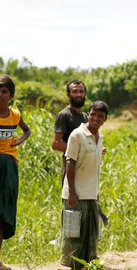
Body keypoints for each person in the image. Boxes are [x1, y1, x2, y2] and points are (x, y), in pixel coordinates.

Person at [0, 75, 31, 270]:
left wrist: (18, 141)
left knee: (4, 211)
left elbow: (27, 131)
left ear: (10, 95)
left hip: (9, 166)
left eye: (4, 92)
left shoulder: (15, 114)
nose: (0, 95)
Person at [61, 101, 108, 269]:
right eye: (93, 114)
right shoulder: (77, 135)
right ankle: (75, 265)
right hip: (76, 194)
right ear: (88, 114)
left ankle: (89, 263)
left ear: (105, 120)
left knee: (91, 233)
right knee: (75, 235)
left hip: (91, 193)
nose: (96, 118)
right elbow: (70, 164)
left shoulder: (99, 137)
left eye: (100, 116)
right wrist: (72, 192)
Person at [51, 80, 88, 183]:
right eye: (75, 91)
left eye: (81, 91)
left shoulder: (85, 116)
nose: (79, 94)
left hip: (85, 165)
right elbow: (56, 144)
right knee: (70, 197)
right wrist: (80, 151)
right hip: (70, 164)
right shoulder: (64, 115)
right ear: (68, 94)